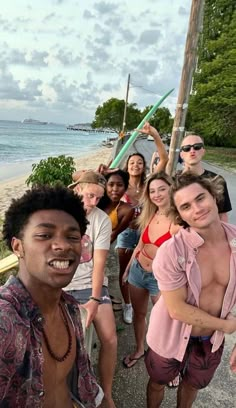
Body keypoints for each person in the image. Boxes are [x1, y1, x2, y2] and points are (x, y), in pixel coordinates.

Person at [0, 185, 103, 408]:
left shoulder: (72, 309)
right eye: (45, 235)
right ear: (18, 246)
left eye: (72, 236)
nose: (63, 245)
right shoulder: (6, 321)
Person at [145, 172, 236, 408]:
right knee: (157, 381)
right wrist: (227, 326)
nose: (196, 209)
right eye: (185, 206)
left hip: (210, 341)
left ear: (214, 197)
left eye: (200, 198)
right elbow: (177, 310)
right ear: (180, 215)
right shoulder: (171, 252)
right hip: (169, 336)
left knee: (193, 385)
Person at [65, 171, 117, 408]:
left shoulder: (101, 220)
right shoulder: (60, 214)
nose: (93, 203)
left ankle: (106, 394)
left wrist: (95, 298)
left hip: (90, 284)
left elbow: (99, 263)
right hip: (62, 286)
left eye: (98, 198)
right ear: (77, 190)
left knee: (110, 338)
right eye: (89, 196)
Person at [122, 172, 180, 369]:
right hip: (138, 271)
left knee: (166, 321)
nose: (156, 194)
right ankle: (139, 349)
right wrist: (128, 267)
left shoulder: (178, 221)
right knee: (139, 314)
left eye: (162, 189)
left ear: (171, 189)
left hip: (159, 279)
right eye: (152, 191)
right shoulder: (150, 213)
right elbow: (140, 244)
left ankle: (167, 363)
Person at [116, 122, 168, 324]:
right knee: (124, 272)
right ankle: (127, 304)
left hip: (148, 234)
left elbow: (164, 159)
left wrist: (154, 134)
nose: (135, 165)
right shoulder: (120, 187)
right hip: (127, 233)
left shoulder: (149, 185)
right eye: (132, 163)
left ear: (143, 166)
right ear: (126, 167)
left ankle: (150, 308)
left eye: (139, 162)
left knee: (151, 272)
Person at [179, 133, 232, 221]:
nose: (192, 151)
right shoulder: (175, 181)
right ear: (181, 154)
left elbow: (222, 215)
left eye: (197, 146)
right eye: (187, 148)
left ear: (203, 151)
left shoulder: (217, 180)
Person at [97, 169, 134, 244]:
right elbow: (75, 176)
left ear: (125, 188)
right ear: (105, 186)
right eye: (111, 185)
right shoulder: (95, 200)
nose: (115, 189)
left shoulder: (127, 210)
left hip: (100, 247)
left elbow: (112, 236)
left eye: (120, 185)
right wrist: (96, 173)